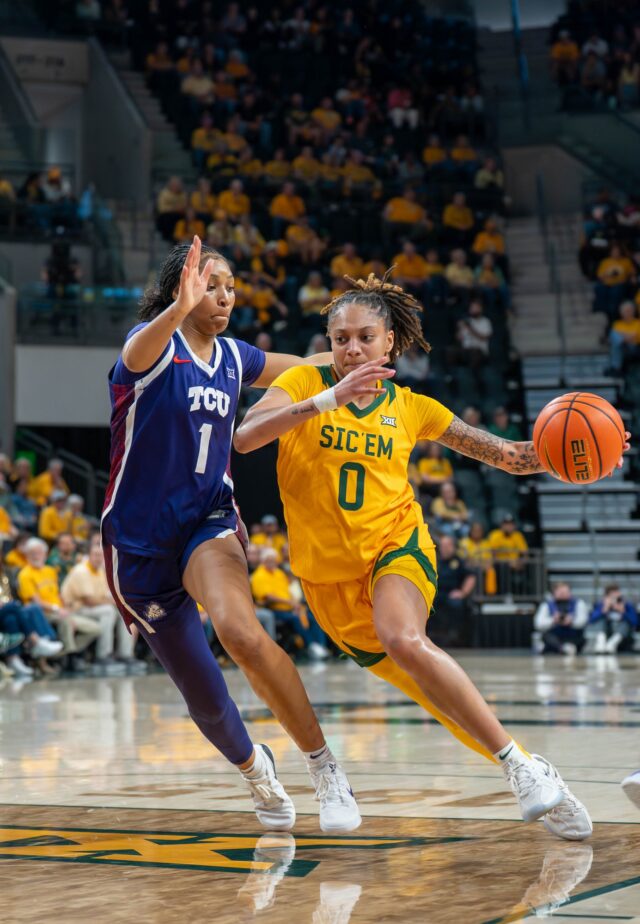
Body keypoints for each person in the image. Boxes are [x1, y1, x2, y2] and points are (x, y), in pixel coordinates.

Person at [234, 269, 618, 841]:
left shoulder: (415, 407)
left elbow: (510, 455)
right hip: (327, 582)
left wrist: (588, 448)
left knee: (404, 637)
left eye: (365, 336)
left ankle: (518, 770)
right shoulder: (301, 381)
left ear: (391, 342)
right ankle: (535, 768)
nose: (352, 348)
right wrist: (327, 398)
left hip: (397, 544)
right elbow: (247, 435)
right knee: (437, 696)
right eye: (341, 338)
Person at [100, 236, 360, 833]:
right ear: (180, 292)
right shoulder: (150, 353)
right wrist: (176, 307)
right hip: (138, 545)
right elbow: (138, 347)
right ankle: (255, 770)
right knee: (205, 695)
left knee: (240, 631)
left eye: (230, 288)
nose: (223, 298)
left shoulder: (235, 356)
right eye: (210, 287)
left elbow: (299, 369)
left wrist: (350, 363)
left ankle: (323, 767)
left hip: (207, 520)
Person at [62, 537, 145, 673]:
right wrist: (112, 603)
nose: (99, 558)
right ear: (88, 556)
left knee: (122, 611)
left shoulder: (100, 571)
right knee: (108, 611)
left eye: (101, 555)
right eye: (95, 555)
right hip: (75, 609)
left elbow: (105, 596)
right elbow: (89, 601)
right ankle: (103, 656)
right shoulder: (81, 571)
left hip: (93, 609)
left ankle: (125, 655)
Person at [250, 548, 330, 660]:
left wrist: (295, 605)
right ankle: (311, 645)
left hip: (289, 608)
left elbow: (288, 591)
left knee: (313, 617)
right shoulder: (259, 575)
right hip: (274, 609)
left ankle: (320, 646)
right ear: (263, 561)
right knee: (295, 619)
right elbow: (267, 596)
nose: (272, 562)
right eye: (269, 560)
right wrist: (290, 603)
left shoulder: (279, 573)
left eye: (273, 560)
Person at [534, 582, 588, 655]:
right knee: (547, 637)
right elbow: (538, 624)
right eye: (560, 592)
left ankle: (558, 648)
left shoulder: (579, 603)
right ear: (554, 593)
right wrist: (553, 620)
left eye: (565, 592)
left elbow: (583, 621)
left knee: (581, 639)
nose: (563, 594)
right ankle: (561, 648)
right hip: (555, 636)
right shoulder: (546, 605)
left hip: (572, 635)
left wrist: (571, 621)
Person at [588, 585, 638, 653]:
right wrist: (604, 609)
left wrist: (623, 612)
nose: (615, 599)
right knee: (601, 620)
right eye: (612, 597)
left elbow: (635, 622)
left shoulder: (626, 605)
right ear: (607, 597)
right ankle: (601, 643)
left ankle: (612, 643)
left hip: (622, 638)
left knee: (625, 623)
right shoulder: (601, 605)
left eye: (617, 596)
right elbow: (591, 620)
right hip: (607, 634)